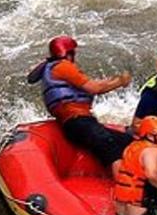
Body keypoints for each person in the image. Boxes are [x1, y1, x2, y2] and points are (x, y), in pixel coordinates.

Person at [27, 35, 133, 178]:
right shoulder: (63, 67)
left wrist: (112, 81)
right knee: (110, 146)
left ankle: (136, 181)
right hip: (78, 121)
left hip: (75, 123)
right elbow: (94, 88)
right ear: (68, 53)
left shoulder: (51, 68)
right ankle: (125, 192)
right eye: (73, 53)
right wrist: (120, 82)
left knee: (127, 141)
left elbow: (92, 84)